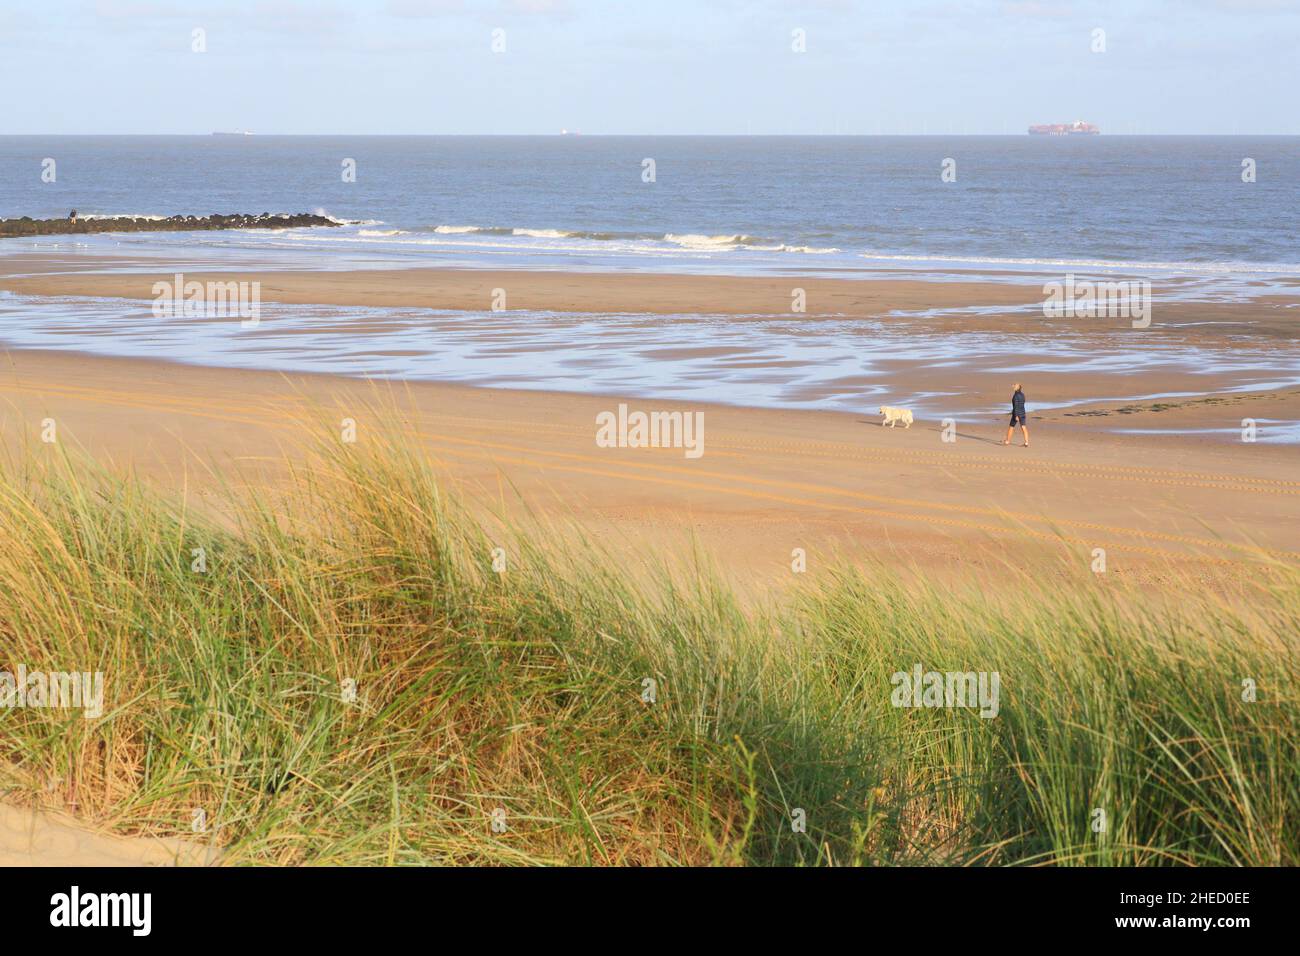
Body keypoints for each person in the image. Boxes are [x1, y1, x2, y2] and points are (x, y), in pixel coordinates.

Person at [1004, 383, 1029, 447]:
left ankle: (1007, 441)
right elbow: (1022, 404)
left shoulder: (1015, 396)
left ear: (1017, 388)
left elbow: (1016, 406)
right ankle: (1026, 442)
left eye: (1015, 386)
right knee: (1023, 427)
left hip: (1017, 413)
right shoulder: (1023, 395)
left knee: (1011, 427)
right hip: (1023, 413)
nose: (1013, 387)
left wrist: (1016, 415)